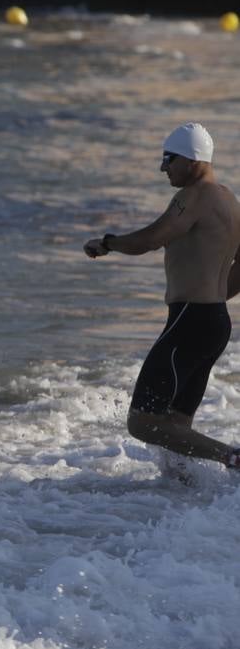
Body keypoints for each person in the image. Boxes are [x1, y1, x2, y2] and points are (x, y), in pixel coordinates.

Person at [84, 122, 240, 471]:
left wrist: (108, 243)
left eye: (168, 159)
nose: (163, 168)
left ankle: (233, 458)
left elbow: (153, 238)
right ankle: (182, 497)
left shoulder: (194, 196)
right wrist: (214, 299)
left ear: (192, 159)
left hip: (192, 320)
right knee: (175, 422)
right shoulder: (230, 201)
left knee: (142, 422)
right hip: (213, 322)